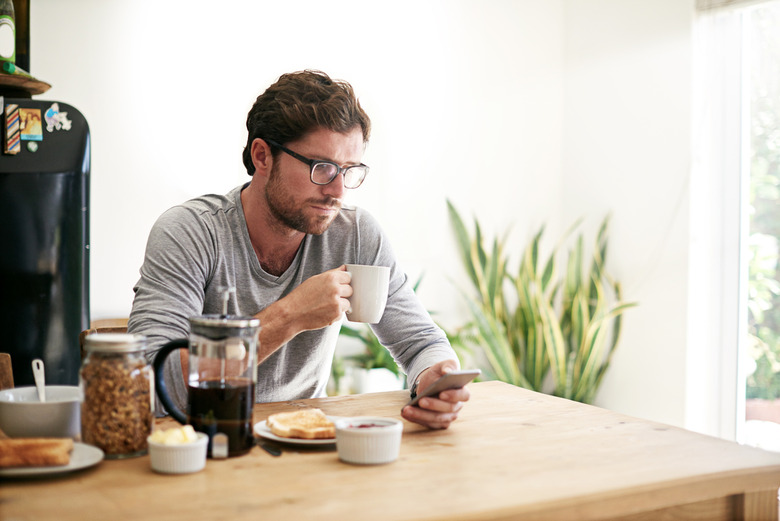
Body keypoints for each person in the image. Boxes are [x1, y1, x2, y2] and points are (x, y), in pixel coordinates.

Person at [128, 70, 469, 429]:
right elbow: (148, 384)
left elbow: (422, 343)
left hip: (306, 440)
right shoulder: (190, 232)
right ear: (262, 156)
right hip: (203, 442)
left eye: (348, 170)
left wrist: (435, 378)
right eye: (322, 168)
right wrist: (289, 316)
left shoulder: (355, 234)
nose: (338, 191)